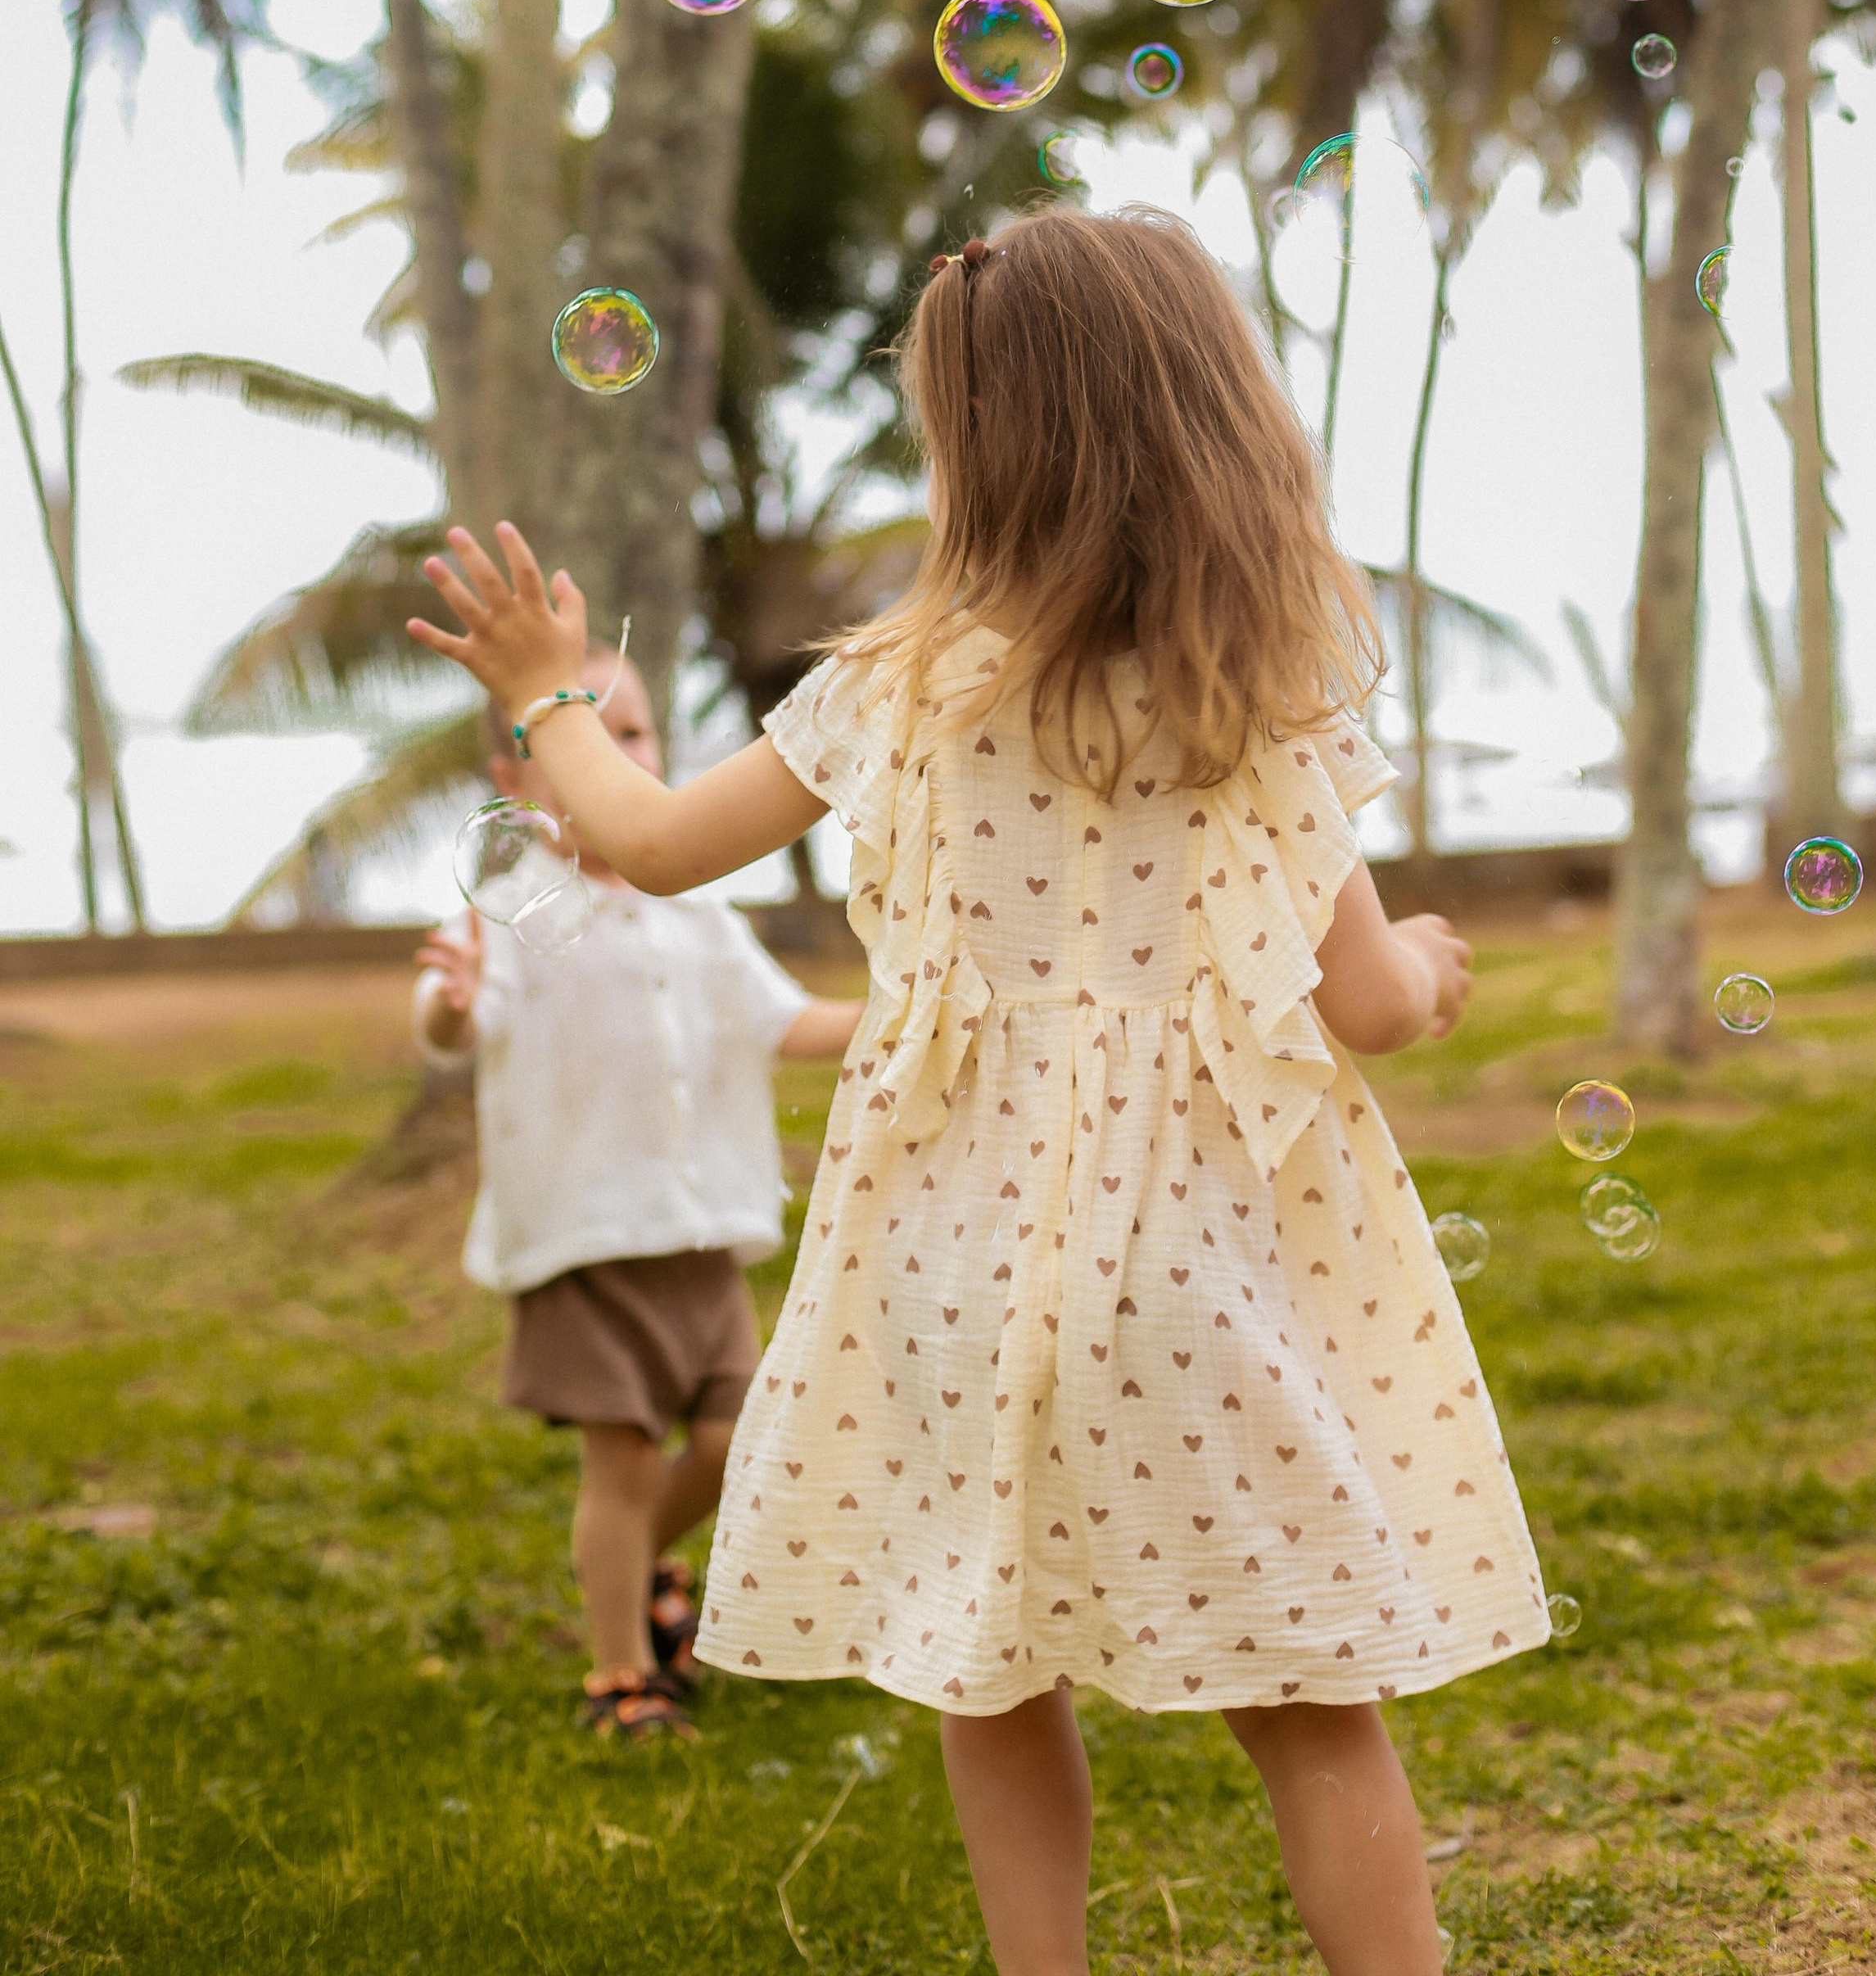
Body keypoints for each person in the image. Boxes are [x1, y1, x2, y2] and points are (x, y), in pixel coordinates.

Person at [409, 207, 1548, 1973]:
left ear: (973, 450)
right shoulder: (1258, 694)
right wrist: (1428, 963)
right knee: (1313, 1704)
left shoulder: (893, 688)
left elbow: (647, 840)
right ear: (1212, 419)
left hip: (950, 1258)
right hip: (1197, 1267)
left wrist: (551, 695)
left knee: (988, 1666)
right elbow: (1372, 1004)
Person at [411, 646, 860, 1740]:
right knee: (617, 1462)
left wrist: (897, 1012)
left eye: (636, 733)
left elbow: (784, 1021)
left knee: (733, 1438)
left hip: (700, 1233)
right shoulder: (513, 911)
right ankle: (620, 1671)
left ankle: (631, 1566)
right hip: (587, 1239)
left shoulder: (700, 914)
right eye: (586, 738)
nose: (622, 753)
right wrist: (450, 1005)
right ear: (517, 778)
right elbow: (453, 1025)